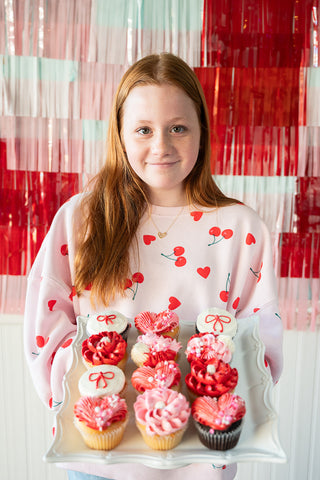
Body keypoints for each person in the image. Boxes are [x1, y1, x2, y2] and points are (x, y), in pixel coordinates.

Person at [24, 52, 283, 480]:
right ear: (121, 135)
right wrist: (89, 399)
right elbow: (44, 329)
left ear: (201, 131)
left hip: (203, 462)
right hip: (100, 465)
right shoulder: (82, 219)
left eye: (178, 128)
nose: (161, 145)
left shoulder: (242, 227)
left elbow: (260, 343)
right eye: (143, 130)